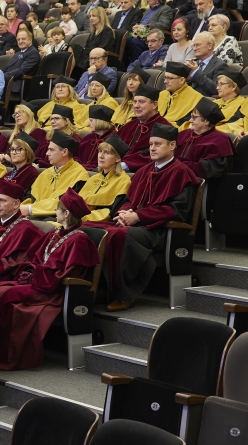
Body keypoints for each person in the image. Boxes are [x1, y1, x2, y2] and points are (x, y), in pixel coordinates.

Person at [85, 123, 199, 311]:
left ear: (172, 146)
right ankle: (99, 288)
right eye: (151, 144)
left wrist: (138, 216)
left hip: (159, 229)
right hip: (136, 223)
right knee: (90, 229)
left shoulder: (181, 172)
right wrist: (126, 213)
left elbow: (176, 211)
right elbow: (130, 199)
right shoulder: (144, 170)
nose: (152, 148)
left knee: (119, 235)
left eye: (158, 144)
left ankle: (122, 294)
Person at [0, 188, 98, 371]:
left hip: (53, 291)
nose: (55, 212)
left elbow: (68, 274)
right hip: (36, 283)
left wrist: (36, 274)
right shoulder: (55, 233)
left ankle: (8, 358)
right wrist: (30, 271)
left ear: (66, 213)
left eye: (57, 209)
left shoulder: (79, 241)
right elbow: (33, 259)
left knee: (4, 295)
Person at [17, 132, 87, 218]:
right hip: (33, 213)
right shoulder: (47, 172)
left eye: (51, 150)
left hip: (56, 217)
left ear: (64, 152)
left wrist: (32, 209)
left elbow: (65, 203)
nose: (47, 153)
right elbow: (31, 196)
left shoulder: (79, 175)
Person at [77, 135, 133, 222]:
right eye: (100, 151)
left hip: (98, 222)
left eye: (107, 153)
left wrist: (80, 218)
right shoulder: (93, 178)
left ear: (118, 158)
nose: (101, 156)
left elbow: (111, 212)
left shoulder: (124, 181)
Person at [118, 85, 172, 172]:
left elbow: (158, 156)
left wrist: (124, 165)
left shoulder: (165, 128)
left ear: (154, 105)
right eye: (135, 102)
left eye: (141, 102)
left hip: (141, 173)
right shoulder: (128, 126)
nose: (136, 106)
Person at [176, 100, 233, 180]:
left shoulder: (220, 141)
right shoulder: (184, 134)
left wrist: (175, 165)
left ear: (206, 121)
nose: (190, 120)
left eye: (194, 117)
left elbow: (206, 170)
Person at [185, 32, 230, 97]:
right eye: (193, 45)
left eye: (197, 45)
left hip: (205, 102)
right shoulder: (193, 63)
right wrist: (187, 79)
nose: (194, 49)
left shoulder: (220, 65)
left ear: (210, 46)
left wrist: (196, 72)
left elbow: (216, 89)